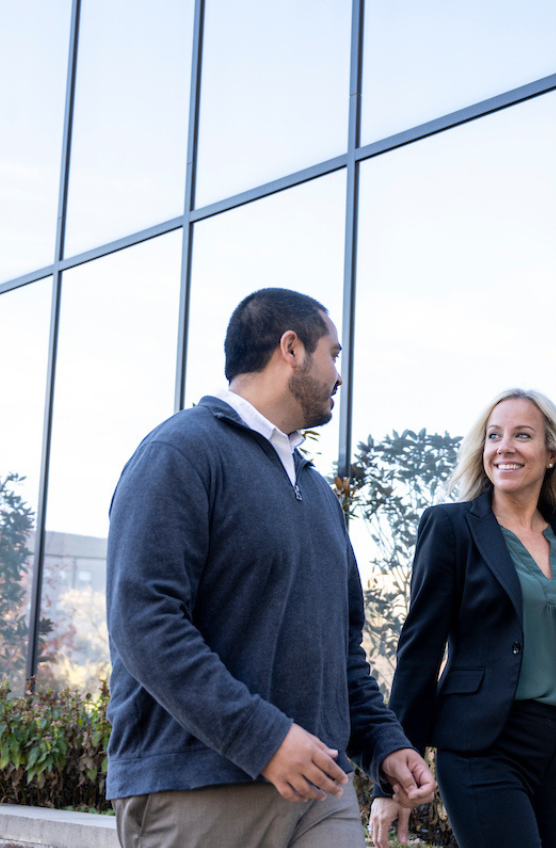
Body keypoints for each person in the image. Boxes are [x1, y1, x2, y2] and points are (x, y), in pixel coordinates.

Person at [105, 288, 435, 848]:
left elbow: (341, 646)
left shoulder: (314, 488)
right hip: (199, 786)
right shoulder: (180, 452)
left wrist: (384, 743)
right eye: (333, 354)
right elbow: (144, 621)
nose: (338, 375)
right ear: (291, 348)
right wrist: (265, 740)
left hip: (320, 792)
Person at [369, 389, 556, 848]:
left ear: (552, 453)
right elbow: (419, 651)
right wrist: (391, 780)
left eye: (522, 435)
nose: (504, 447)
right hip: (482, 746)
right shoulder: (451, 528)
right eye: (494, 435)